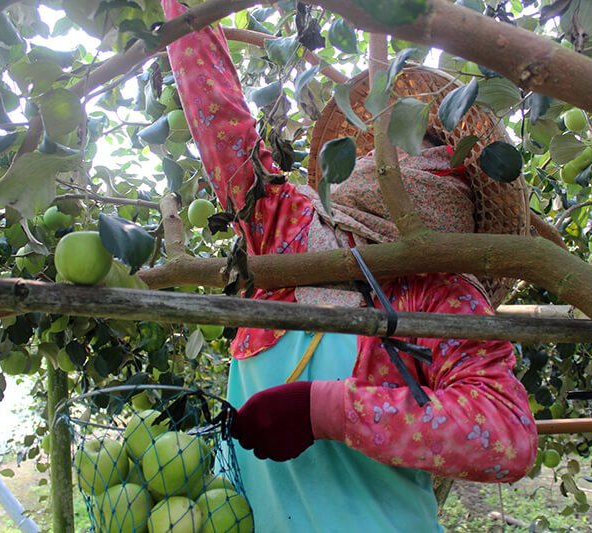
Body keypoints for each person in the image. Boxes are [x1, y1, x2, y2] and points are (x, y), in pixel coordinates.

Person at [161, 2, 537, 531]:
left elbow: (507, 437)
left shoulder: (439, 292)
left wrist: (328, 411)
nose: (405, 165)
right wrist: (189, 14)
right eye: (395, 147)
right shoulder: (289, 229)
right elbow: (219, 119)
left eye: (428, 152)